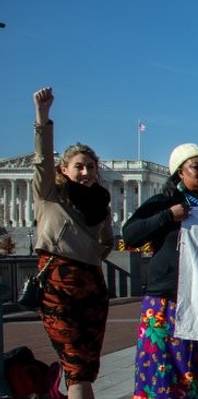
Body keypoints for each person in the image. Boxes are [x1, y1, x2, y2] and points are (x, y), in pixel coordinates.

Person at [124, 143, 198, 397]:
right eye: (196, 167)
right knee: (164, 373)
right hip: (167, 299)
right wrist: (167, 217)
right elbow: (131, 235)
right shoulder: (165, 202)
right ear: (180, 173)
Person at [29, 87, 114, 399]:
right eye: (79, 166)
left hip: (91, 285)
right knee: (76, 366)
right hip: (58, 285)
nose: (86, 171)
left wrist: (89, 254)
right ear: (63, 170)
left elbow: (108, 242)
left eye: (91, 166)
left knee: (86, 368)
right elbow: (41, 159)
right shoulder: (50, 196)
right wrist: (43, 118)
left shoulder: (100, 204)